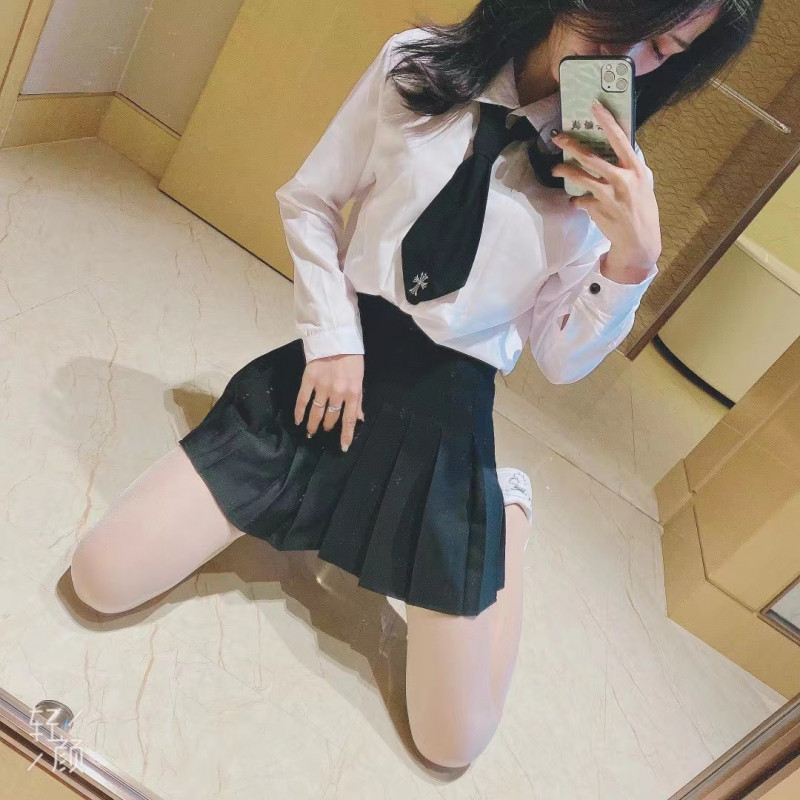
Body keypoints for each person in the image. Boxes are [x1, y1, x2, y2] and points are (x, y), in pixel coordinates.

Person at [70, 0, 760, 769]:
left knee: (451, 741)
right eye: (631, 19)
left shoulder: (614, 180)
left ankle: (507, 511)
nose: (630, 57)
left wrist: (630, 265)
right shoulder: (419, 64)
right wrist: (333, 338)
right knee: (101, 577)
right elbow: (311, 201)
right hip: (335, 374)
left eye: (664, 48)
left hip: (446, 423)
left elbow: (560, 358)